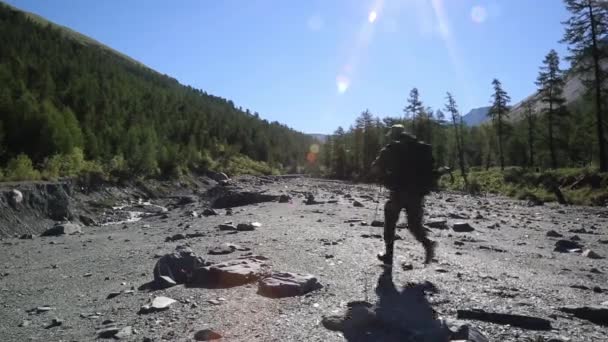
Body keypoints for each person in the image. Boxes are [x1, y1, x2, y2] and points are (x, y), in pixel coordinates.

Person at [371, 124, 436, 266]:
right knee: (414, 225)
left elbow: (375, 167)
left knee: (390, 221)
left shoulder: (391, 149)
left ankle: (388, 255)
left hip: (398, 191)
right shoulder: (421, 148)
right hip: (417, 193)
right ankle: (428, 244)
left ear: (394, 135)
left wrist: (384, 175)